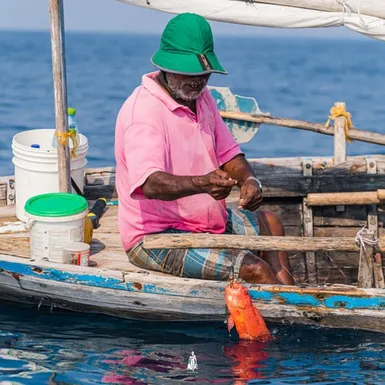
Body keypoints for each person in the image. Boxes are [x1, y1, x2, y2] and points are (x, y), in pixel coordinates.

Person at [114, 13, 294, 285]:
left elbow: (229, 153)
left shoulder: (201, 97)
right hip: (157, 237)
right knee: (255, 269)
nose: (198, 81)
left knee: (272, 224)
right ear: (167, 67)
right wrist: (202, 183)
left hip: (205, 221)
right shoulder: (144, 112)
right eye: (189, 73)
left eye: (203, 74)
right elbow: (150, 183)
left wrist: (249, 179)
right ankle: (281, 319)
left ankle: (292, 308)